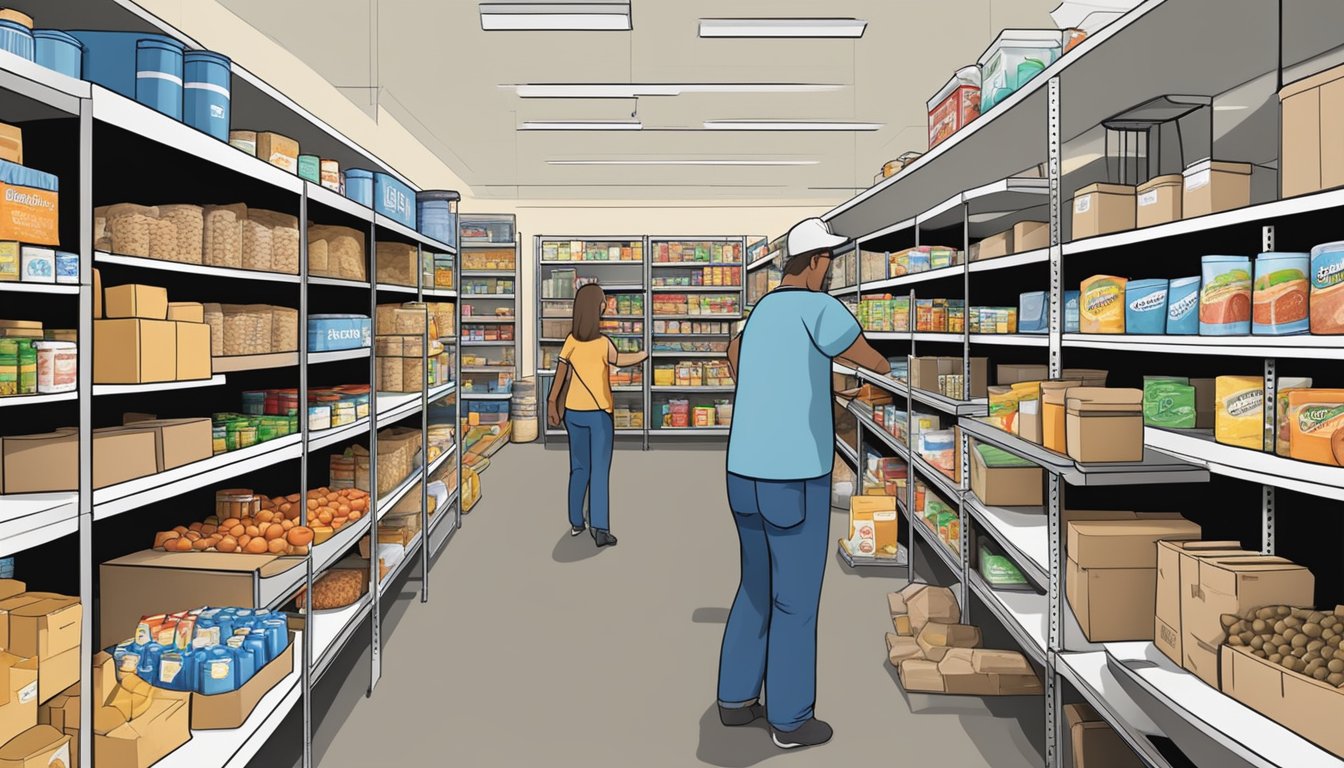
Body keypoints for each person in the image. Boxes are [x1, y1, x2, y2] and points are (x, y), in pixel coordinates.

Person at [716, 217, 892, 749]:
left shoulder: (762, 309)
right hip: (793, 477)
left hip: (742, 473)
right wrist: (863, 387)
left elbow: (735, 360)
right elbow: (874, 362)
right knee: (796, 599)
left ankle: (735, 699)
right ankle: (790, 720)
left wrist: (805, 387)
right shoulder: (821, 308)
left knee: (755, 586)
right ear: (815, 263)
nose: (830, 270)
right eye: (829, 262)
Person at [546, 283, 648, 548]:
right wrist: (644, 354)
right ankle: (600, 529)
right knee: (600, 470)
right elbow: (621, 360)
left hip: (572, 413)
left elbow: (560, 376)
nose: (605, 305)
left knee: (579, 468)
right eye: (603, 302)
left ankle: (576, 522)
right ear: (596, 308)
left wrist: (551, 403)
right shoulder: (604, 344)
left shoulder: (570, 342)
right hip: (599, 415)